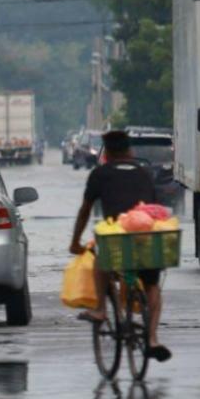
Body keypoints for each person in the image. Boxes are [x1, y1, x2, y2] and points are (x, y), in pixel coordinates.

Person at [69, 129, 170, 361]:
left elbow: (85, 211)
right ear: (129, 151)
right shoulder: (144, 173)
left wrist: (75, 242)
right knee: (152, 284)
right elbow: (155, 209)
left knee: (99, 257)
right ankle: (152, 338)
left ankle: (101, 310)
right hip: (146, 239)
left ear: (108, 154)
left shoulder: (100, 174)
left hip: (116, 241)